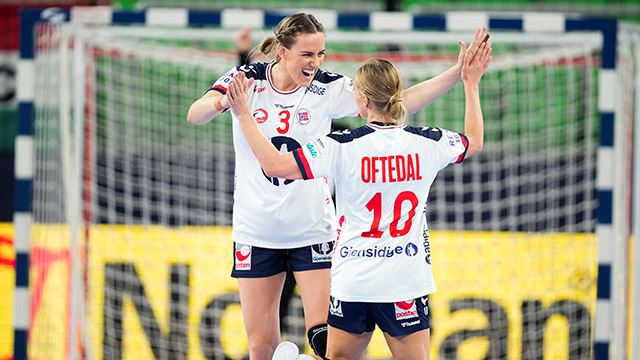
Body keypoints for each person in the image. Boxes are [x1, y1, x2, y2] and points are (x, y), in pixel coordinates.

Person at [187, 12, 490, 360]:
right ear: (283, 52)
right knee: (261, 347)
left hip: (312, 228)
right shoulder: (247, 80)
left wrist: (457, 74)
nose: (315, 63)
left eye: (321, 54)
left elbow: (393, 100)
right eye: (307, 54)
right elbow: (195, 114)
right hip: (256, 229)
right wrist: (227, 102)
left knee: (322, 342)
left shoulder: (327, 88)